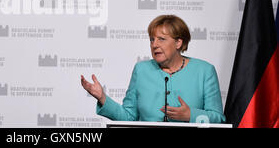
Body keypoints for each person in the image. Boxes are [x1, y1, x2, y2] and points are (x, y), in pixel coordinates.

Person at [81, 15, 225, 123]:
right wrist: (103, 98)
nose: (154, 44)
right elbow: (129, 117)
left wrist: (190, 115)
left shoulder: (204, 71)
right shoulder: (141, 70)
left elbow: (218, 119)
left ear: (178, 43)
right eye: (152, 39)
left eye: (161, 39)